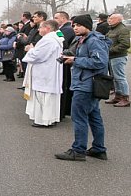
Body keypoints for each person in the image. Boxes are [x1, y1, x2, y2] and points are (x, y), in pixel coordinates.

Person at [55, 14, 110, 161]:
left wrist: (76, 60)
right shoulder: (83, 40)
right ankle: (99, 149)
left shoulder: (94, 41)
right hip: (87, 84)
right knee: (94, 117)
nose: (75, 28)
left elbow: (100, 62)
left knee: (79, 118)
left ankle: (78, 150)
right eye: (73, 25)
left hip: (86, 85)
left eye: (79, 25)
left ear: (88, 26)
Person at [22, 20, 63, 127]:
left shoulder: (48, 40)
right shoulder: (56, 38)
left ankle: (43, 120)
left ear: (47, 28)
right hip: (49, 72)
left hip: (44, 74)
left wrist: (30, 49)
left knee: (42, 97)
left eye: (40, 27)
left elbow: (38, 56)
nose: (39, 30)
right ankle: (50, 119)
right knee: (48, 98)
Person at [105, 13, 130, 107]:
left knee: (120, 77)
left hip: (118, 57)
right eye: (109, 18)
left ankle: (125, 98)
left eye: (111, 18)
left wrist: (110, 50)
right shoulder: (112, 29)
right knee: (115, 78)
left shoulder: (122, 30)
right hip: (112, 57)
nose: (109, 20)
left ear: (118, 20)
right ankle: (118, 96)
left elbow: (125, 44)